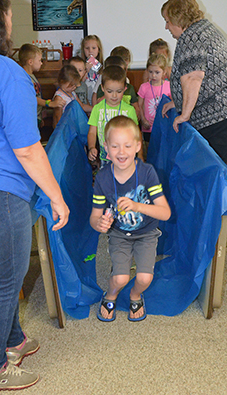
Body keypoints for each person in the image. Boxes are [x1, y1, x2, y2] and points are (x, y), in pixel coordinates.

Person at [0, 0, 69, 392]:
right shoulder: (8, 73)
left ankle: (12, 341)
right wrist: (56, 195)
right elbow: (29, 149)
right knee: (2, 285)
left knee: (4, 276)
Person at [161, 0, 227, 178]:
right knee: (220, 162)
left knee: (214, 166)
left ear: (177, 18)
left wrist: (185, 114)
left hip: (224, 111)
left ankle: (222, 205)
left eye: (167, 20)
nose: (166, 26)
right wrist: (178, 103)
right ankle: (226, 205)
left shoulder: (191, 38)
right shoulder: (201, 29)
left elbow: (193, 78)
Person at [90, 115, 171, 322]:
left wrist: (137, 206)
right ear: (106, 148)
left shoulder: (147, 173)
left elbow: (165, 213)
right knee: (120, 277)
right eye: (115, 146)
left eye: (127, 145)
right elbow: (95, 216)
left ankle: (135, 295)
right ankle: (110, 295)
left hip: (147, 233)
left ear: (137, 146)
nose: (121, 152)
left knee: (144, 278)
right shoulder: (103, 178)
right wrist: (100, 224)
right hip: (119, 234)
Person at [87, 65, 140, 167]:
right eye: (109, 91)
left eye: (119, 91)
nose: (114, 96)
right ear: (102, 88)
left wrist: (139, 154)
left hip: (125, 157)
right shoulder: (97, 109)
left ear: (125, 88)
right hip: (105, 157)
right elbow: (92, 132)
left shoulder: (129, 110)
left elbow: (136, 134)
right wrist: (91, 147)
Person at [19, 43, 66, 127]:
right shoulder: (24, 78)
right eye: (40, 60)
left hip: (35, 117)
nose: (41, 63)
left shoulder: (31, 76)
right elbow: (32, 98)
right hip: (29, 119)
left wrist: (40, 117)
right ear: (30, 62)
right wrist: (50, 104)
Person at [138, 53, 171, 144]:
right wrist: (143, 120)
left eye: (157, 72)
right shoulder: (144, 87)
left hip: (164, 126)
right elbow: (139, 105)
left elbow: (173, 105)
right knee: (149, 151)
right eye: (150, 72)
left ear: (164, 72)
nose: (153, 76)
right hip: (148, 127)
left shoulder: (168, 86)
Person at [80, 34, 104, 105]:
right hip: (85, 99)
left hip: (97, 99)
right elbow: (79, 83)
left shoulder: (103, 66)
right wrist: (85, 71)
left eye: (94, 48)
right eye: (87, 48)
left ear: (98, 49)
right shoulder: (80, 65)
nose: (90, 51)